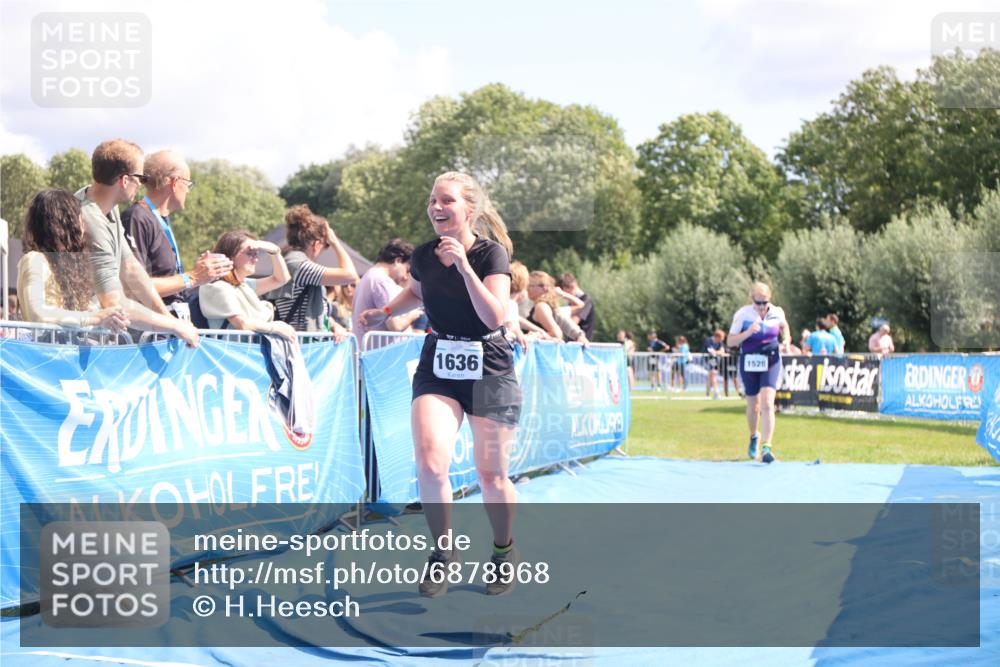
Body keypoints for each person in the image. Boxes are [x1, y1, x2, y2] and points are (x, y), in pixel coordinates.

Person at [358, 171, 521, 597]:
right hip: (440, 363)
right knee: (430, 463)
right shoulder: (425, 256)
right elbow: (416, 290)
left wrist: (465, 267)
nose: (436, 207)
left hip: (490, 365)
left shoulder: (491, 256)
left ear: (469, 209)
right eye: (432, 200)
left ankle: (504, 550)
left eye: (446, 200)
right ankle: (443, 553)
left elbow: (494, 317)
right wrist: (385, 310)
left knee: (492, 474)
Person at [17, 189, 198, 344]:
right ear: (65, 224)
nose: (84, 226)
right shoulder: (35, 260)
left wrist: (107, 315)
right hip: (45, 362)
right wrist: (96, 317)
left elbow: (90, 312)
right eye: (80, 219)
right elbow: (38, 314)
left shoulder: (71, 267)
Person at [74, 140, 198, 347]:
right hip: (77, 338)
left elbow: (132, 269)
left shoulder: (105, 206)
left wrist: (168, 318)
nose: (142, 184)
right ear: (124, 180)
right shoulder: (90, 221)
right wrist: (174, 326)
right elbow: (114, 303)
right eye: (140, 178)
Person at [121, 150, 232, 318]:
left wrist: (203, 274)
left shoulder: (160, 219)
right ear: (174, 182)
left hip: (169, 327)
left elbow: (167, 281)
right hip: (148, 332)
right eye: (188, 184)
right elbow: (133, 287)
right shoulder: (136, 217)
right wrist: (192, 277)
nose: (188, 191)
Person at [269, 205, 357, 338]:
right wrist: (335, 242)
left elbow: (312, 308)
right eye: (325, 246)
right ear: (317, 244)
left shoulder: (291, 261)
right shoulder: (297, 264)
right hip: (301, 344)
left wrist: (333, 325)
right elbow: (350, 275)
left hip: (300, 342)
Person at [727, 282, 790, 464]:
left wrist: (786, 340)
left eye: (765, 302)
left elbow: (785, 328)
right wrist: (748, 332)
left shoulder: (777, 312)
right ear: (751, 299)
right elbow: (730, 342)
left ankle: (767, 447)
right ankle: (754, 435)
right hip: (749, 360)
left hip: (771, 360)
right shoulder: (742, 314)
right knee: (753, 405)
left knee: (768, 403)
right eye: (758, 302)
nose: (762, 306)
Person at [197, 231, 296, 342]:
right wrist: (276, 328)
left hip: (247, 354)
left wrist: (275, 252)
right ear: (230, 256)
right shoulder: (218, 287)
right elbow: (242, 323)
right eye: (250, 253)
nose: (256, 259)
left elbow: (281, 279)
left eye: (256, 254)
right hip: (232, 355)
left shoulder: (242, 285)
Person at [352, 238, 423, 340]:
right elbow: (395, 325)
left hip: (374, 351)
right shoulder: (381, 281)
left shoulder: (369, 276)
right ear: (398, 261)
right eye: (407, 270)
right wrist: (413, 315)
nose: (405, 277)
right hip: (382, 353)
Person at [557, 272, 596, 340]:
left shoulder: (586, 301)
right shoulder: (572, 302)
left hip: (582, 344)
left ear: (572, 286)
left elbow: (573, 323)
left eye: (565, 293)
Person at [703, 329, 726, 399]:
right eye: (721, 338)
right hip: (708, 361)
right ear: (717, 337)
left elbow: (722, 351)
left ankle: (707, 392)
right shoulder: (708, 341)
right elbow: (712, 352)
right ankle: (716, 393)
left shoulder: (720, 342)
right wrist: (718, 352)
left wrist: (717, 352)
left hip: (715, 361)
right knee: (713, 375)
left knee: (711, 376)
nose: (721, 340)